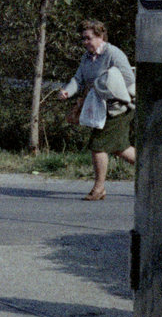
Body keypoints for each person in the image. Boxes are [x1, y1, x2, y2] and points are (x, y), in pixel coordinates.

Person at [57, 19, 137, 201]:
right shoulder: (87, 57)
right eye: (83, 39)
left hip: (119, 109)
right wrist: (67, 91)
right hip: (101, 109)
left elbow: (129, 81)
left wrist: (118, 95)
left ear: (101, 36)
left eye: (89, 38)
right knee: (120, 149)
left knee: (97, 146)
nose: (85, 42)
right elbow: (78, 79)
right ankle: (153, 169)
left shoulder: (113, 54)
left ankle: (99, 189)